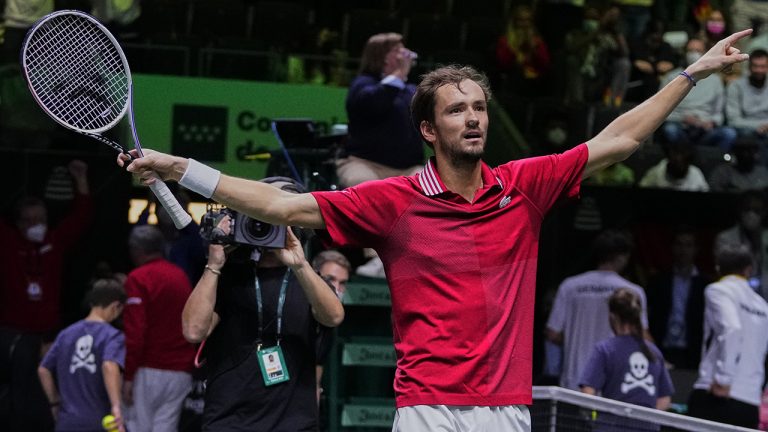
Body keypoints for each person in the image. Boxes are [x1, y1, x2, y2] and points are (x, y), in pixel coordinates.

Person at [120, 30, 751, 431]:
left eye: (479, 107)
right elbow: (283, 209)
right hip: (428, 411)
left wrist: (690, 75)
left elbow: (621, 137)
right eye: (458, 109)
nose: (474, 118)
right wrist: (181, 169)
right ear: (429, 129)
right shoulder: (392, 202)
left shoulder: (524, 186)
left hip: (508, 410)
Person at [181, 177, 344, 431]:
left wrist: (299, 263)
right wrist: (213, 265)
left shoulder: (310, 281)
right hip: (229, 420)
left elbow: (333, 317)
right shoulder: (228, 278)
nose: (267, 227)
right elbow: (193, 331)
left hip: (293, 423)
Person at [0, 159, 91, 431]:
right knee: (11, 397)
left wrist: (81, 179)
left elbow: (82, 217)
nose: (35, 224)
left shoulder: (55, 240)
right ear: (17, 223)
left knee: (45, 394)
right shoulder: (7, 242)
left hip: (47, 336)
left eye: (40, 219)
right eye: (29, 221)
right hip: (10, 335)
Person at [338, 32, 424, 278]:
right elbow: (372, 104)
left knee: (429, 191)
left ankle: (416, 259)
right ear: (382, 56)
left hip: (407, 168)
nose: (404, 54)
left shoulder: (411, 90)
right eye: (398, 50)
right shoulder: (363, 85)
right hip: (363, 163)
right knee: (369, 189)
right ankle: (378, 258)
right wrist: (397, 76)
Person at [545, 229, 649, 391]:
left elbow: (552, 333)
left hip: (574, 379)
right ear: (622, 256)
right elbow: (641, 335)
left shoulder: (570, 286)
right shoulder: (632, 291)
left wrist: (577, 337)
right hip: (613, 383)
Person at [122, 225, 196, 432]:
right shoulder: (180, 275)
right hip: (180, 372)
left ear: (136, 250)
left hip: (149, 369)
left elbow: (135, 332)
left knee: (139, 427)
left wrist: (128, 376)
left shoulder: (138, 278)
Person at [688, 243, 768, 429]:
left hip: (716, 392)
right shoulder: (764, 307)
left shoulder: (717, 290)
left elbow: (731, 328)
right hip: (749, 401)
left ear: (718, 268)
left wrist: (724, 378)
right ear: (748, 270)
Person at [37, 278, 127, 432]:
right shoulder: (112, 336)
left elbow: (43, 370)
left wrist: (54, 403)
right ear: (115, 306)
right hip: (98, 422)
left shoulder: (66, 334)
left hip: (67, 422)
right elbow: (109, 365)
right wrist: (116, 407)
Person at [579, 288, 674, 430]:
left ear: (613, 316)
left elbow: (587, 393)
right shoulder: (654, 352)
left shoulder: (604, 349)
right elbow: (664, 400)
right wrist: (645, 418)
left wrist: (598, 417)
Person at [645, 227, 708, 369]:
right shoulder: (659, 280)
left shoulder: (705, 284)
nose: (683, 250)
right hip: (661, 347)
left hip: (692, 351)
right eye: (679, 244)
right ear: (672, 248)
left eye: (688, 245)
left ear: (696, 249)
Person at [659, 37, 737, 152]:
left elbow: (718, 114)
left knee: (728, 133)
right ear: (684, 53)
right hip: (680, 126)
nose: (693, 54)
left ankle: (715, 167)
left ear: (705, 53)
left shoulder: (715, 80)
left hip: (705, 129)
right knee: (670, 130)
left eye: (698, 51)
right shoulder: (671, 77)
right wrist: (683, 119)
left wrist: (710, 122)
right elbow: (660, 110)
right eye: (690, 51)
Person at [311, 249, 351, 402]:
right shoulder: (297, 307)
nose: (336, 287)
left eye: (342, 283)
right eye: (330, 279)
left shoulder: (333, 320)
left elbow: (318, 364)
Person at [714, 190, 768, 298]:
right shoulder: (725, 238)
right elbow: (726, 271)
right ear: (740, 211)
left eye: (756, 210)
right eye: (747, 209)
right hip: (736, 297)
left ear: (764, 212)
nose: (751, 214)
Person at [725, 49, 768, 150]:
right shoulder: (736, 86)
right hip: (745, 129)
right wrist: (760, 126)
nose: (759, 70)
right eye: (755, 66)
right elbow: (733, 120)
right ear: (749, 67)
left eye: (763, 67)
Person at [638, 139, 710, 191]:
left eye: (682, 162)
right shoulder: (656, 172)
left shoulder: (696, 173)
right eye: (676, 161)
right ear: (669, 159)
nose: (679, 163)